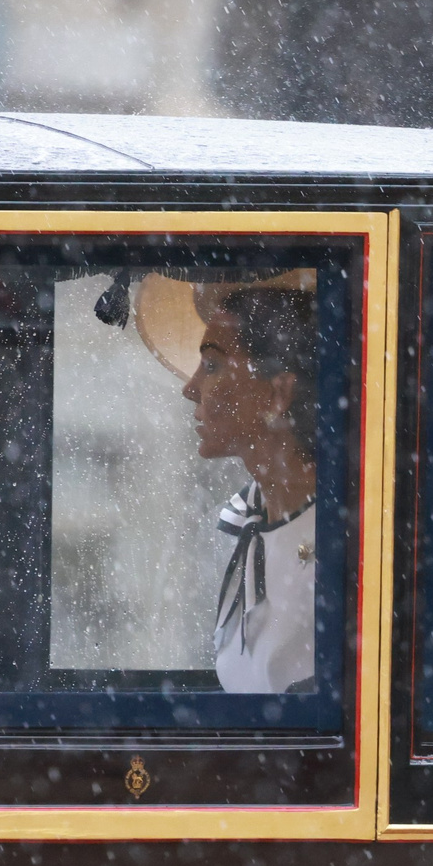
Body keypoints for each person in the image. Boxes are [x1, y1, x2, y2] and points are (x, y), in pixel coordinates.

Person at [183, 281, 320, 696]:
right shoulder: (246, 522)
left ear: (278, 394)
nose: (190, 388)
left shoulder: (344, 540)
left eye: (212, 365)